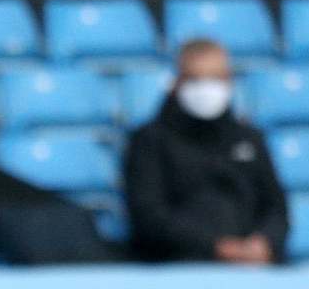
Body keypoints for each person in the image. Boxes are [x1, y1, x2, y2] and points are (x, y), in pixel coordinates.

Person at [124, 37, 289, 266]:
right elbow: (149, 217)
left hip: (254, 267)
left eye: (216, 78)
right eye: (196, 78)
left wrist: (264, 243)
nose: (207, 88)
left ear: (229, 82)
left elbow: (276, 208)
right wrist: (217, 248)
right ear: (177, 82)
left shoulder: (249, 138)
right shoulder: (150, 140)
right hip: (178, 267)